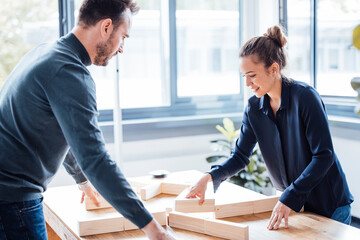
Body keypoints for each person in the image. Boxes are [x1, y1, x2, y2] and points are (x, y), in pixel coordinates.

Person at [0, 0, 175, 239]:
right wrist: (153, 229)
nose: (122, 48)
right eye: (124, 36)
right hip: (11, 200)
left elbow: (66, 131)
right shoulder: (69, 72)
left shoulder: (46, 52)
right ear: (106, 27)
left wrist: (82, 180)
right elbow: (95, 159)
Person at [186, 25, 354, 230]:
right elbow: (240, 156)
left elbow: (324, 156)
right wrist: (210, 177)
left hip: (329, 204)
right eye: (244, 76)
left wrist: (288, 197)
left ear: (274, 69)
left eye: (252, 75)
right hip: (295, 206)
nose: (247, 83)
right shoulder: (254, 108)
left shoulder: (306, 98)